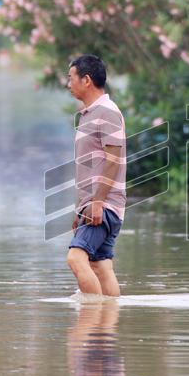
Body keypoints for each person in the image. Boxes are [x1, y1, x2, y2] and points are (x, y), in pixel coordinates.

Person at [66, 54, 126, 297]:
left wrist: (98, 202)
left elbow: (113, 160)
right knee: (100, 267)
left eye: (71, 78)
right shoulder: (88, 115)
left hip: (105, 205)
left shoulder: (107, 112)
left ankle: (91, 320)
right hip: (95, 204)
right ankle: (106, 329)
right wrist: (80, 208)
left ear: (86, 80)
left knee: (76, 259)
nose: (68, 84)